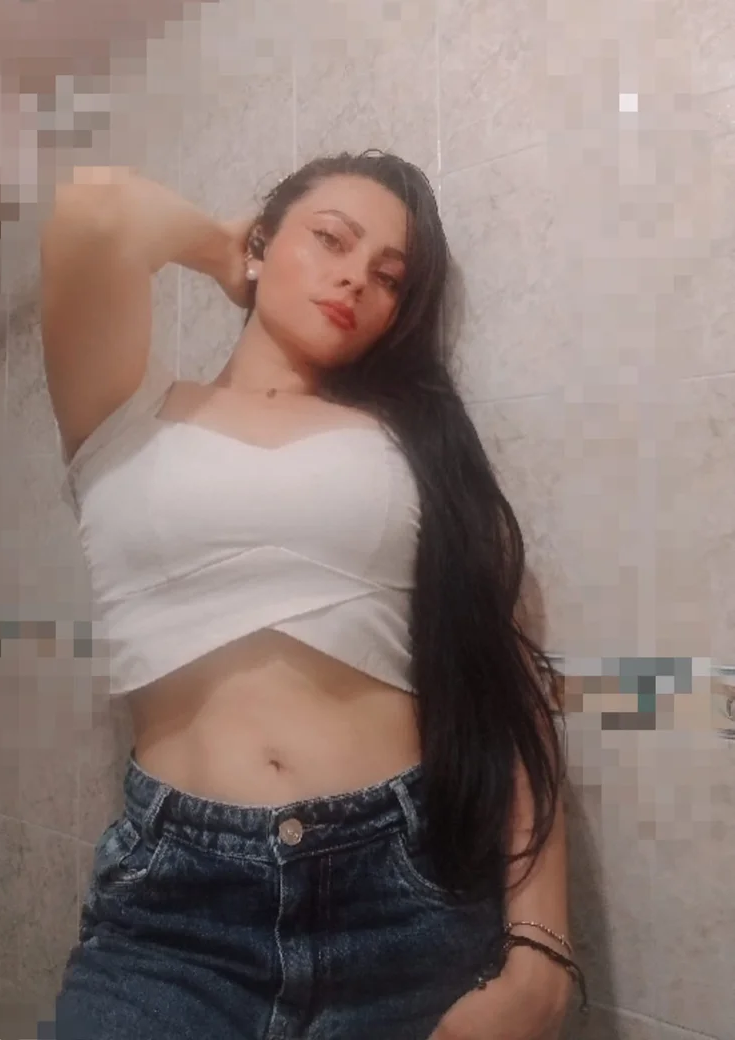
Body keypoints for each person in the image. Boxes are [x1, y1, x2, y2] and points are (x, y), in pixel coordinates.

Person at [40, 150, 584, 1040]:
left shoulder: (418, 446)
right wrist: (220, 249)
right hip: (177, 919)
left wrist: (540, 955)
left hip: (403, 895)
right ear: (263, 240)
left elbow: (510, 688)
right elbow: (96, 209)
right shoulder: (126, 416)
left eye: (389, 276)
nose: (356, 278)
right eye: (332, 239)